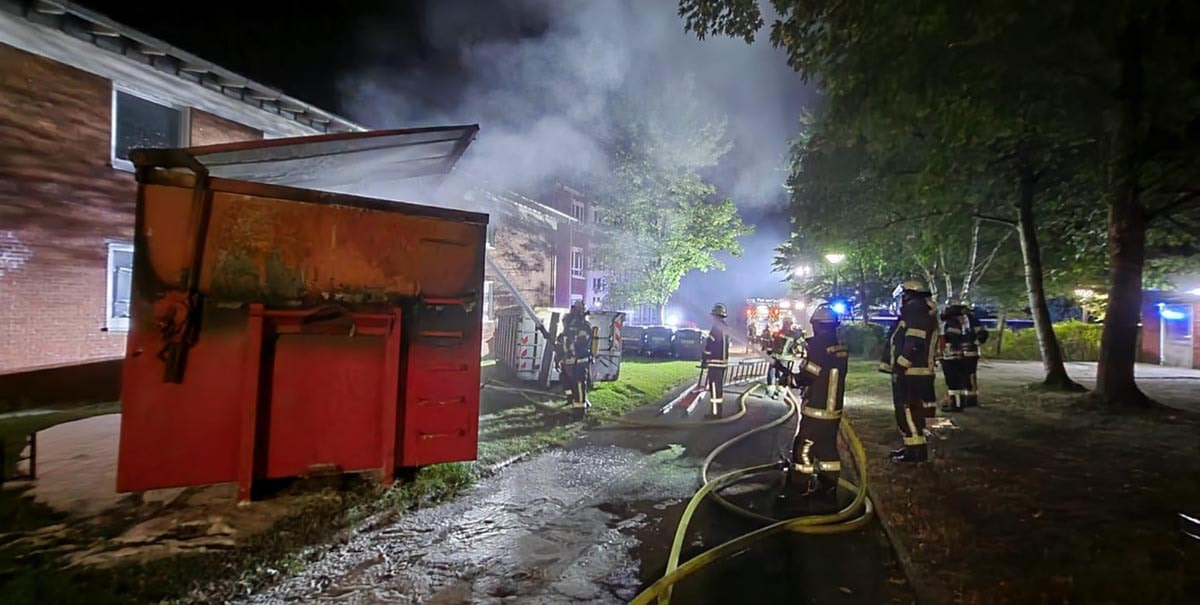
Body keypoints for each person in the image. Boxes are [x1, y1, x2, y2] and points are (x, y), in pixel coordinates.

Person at [782, 305, 848, 511]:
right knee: (827, 450)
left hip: (817, 409)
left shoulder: (819, 346)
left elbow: (808, 376)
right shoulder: (838, 347)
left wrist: (790, 378)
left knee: (804, 448)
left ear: (817, 325)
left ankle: (798, 492)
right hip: (833, 409)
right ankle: (828, 490)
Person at [879, 280, 938, 463]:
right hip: (915, 371)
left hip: (912, 372)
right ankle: (912, 447)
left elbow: (915, 341)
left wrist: (901, 364)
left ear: (908, 294)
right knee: (910, 412)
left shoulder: (914, 310)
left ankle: (916, 452)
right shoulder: (919, 309)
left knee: (907, 410)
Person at [556, 301, 594, 418]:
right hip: (578, 362)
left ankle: (575, 405)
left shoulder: (568, 329)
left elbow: (562, 344)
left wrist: (559, 358)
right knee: (578, 385)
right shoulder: (584, 327)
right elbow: (584, 344)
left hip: (570, 362)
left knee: (574, 385)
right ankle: (578, 410)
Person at [702, 303, 731, 418]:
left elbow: (709, 347)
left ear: (716, 316)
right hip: (723, 364)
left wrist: (704, 359)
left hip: (715, 363)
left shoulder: (715, 330)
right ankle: (717, 411)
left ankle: (715, 413)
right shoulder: (726, 328)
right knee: (718, 388)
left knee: (714, 389)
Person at [939, 301, 969, 413]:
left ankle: (956, 404)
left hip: (951, 357)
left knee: (953, 382)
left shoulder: (951, 323)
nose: (964, 317)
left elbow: (951, 339)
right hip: (956, 356)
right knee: (958, 381)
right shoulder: (957, 323)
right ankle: (959, 403)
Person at [765, 318, 802, 398]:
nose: (786, 325)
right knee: (778, 374)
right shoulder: (793, 334)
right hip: (782, 358)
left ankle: (775, 390)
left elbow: (771, 345)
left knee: (776, 373)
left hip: (778, 358)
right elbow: (801, 346)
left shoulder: (779, 333)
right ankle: (777, 390)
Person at [962, 307, 989, 407]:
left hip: (970, 352)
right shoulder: (969, 320)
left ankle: (971, 398)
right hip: (967, 352)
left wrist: (977, 342)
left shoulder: (972, 321)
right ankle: (967, 397)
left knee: (969, 375)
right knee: (967, 375)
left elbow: (982, 333)